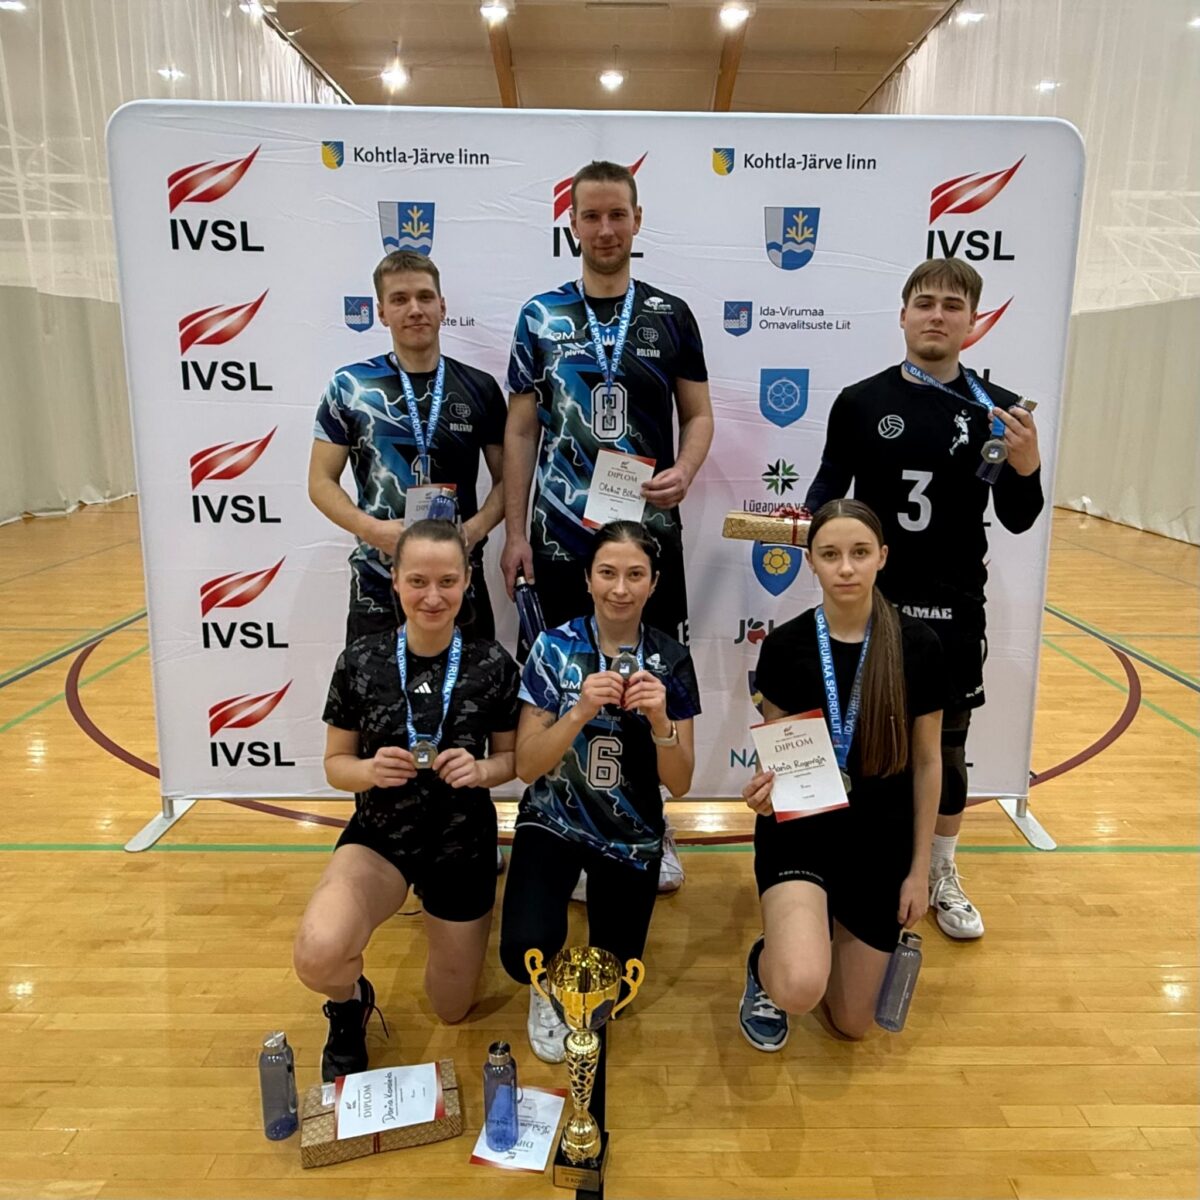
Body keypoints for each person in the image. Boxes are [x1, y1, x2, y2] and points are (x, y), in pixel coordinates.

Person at [804, 257, 1044, 940]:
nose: (937, 315)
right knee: (853, 733)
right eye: (926, 303)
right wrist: (808, 524)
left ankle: (941, 868)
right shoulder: (860, 400)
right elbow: (827, 488)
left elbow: (1020, 516)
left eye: (952, 305)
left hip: (953, 604)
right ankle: (843, 857)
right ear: (904, 315)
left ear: (973, 322)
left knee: (950, 748)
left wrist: (1027, 465)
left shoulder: (1002, 410)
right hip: (868, 602)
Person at [501, 159, 714, 890]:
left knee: (648, 682)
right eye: (590, 216)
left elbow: (699, 415)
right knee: (567, 685)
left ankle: (650, 819)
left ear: (637, 220)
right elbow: (521, 431)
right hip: (561, 537)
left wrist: (687, 468)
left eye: (616, 214)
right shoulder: (540, 315)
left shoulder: (670, 314)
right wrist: (516, 533)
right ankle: (559, 827)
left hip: (649, 537)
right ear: (572, 226)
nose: (604, 229)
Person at [293, 519, 520, 1081]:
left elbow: (513, 761)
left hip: (462, 845)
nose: (432, 596)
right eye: (418, 581)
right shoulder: (360, 661)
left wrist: (481, 769)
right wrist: (369, 770)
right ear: (394, 580)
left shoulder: (493, 665)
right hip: (381, 839)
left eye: (447, 581)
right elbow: (335, 765)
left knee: (451, 1008)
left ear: (467, 581)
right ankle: (348, 1004)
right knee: (318, 953)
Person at [737, 499, 944, 1051]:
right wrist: (762, 791)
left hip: (880, 842)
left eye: (859, 553)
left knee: (853, 1023)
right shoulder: (785, 645)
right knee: (800, 987)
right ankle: (768, 962)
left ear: (883, 556)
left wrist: (920, 871)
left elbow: (929, 763)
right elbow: (774, 754)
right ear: (811, 562)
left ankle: (816, 933)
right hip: (802, 834)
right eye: (830, 555)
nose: (846, 568)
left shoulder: (919, 646)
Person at [498, 521, 701, 1062]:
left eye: (635, 575)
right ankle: (545, 989)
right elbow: (526, 765)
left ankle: (595, 895)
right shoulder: (553, 647)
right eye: (607, 573)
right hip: (554, 819)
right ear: (587, 579)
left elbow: (681, 783)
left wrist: (661, 721)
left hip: (630, 834)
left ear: (654, 583)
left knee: (616, 987)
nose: (620, 588)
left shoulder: (671, 659)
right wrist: (579, 711)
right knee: (523, 953)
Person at [309, 251, 507, 646]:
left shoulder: (479, 387)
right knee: (375, 685)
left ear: (442, 306)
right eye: (399, 299)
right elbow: (320, 482)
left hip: (456, 582)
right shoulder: (351, 386)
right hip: (378, 581)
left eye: (425, 297)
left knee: (469, 685)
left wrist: (473, 530)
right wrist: (373, 531)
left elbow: (510, 481)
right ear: (382, 312)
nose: (415, 309)